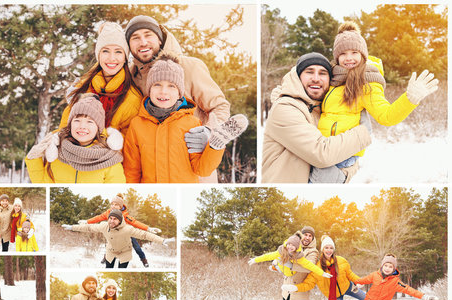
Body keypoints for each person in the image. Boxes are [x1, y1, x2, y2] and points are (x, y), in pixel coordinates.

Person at [310, 21, 438, 183]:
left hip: (341, 154)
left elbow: (386, 116)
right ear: (336, 57)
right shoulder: (334, 78)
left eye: (354, 52)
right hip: (324, 149)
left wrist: (409, 99)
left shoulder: (366, 82)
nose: (348, 58)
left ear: (363, 54)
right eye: (343, 54)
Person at [124, 15, 240, 163]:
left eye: (148, 35)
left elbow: (219, 106)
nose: (143, 42)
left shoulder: (189, 67)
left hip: (193, 161)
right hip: (151, 166)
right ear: (129, 44)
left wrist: (208, 132)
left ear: (160, 39)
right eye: (135, 38)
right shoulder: (130, 76)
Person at [26, 21, 140, 169]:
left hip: (108, 165)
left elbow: (130, 143)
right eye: (105, 51)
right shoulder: (83, 87)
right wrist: (57, 139)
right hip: (72, 161)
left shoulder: (132, 97)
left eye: (118, 51)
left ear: (125, 57)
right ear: (98, 54)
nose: (112, 58)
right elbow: (67, 124)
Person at [123, 54, 246, 183]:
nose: (163, 91)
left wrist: (214, 146)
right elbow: (132, 171)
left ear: (179, 93)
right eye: (157, 85)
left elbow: (202, 170)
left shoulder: (192, 124)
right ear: (149, 89)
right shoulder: (137, 125)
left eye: (171, 86)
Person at [262, 52, 372, 183]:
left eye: (322, 73)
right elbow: (322, 153)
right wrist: (363, 132)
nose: (316, 78)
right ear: (298, 77)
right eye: (309, 72)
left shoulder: (326, 111)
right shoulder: (285, 108)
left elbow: (350, 157)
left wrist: (342, 176)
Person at [248, 231, 332, 300]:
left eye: (310, 236)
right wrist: (258, 260)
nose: (307, 237)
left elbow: (309, 267)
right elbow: (270, 255)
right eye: (305, 235)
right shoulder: (291, 246)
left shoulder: (312, 252)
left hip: (300, 286)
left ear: (313, 239)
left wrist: (289, 264)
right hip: (288, 285)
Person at [26, 95, 126, 183]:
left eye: (89, 122)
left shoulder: (109, 160)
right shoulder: (57, 153)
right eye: (77, 120)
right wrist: (34, 158)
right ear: (70, 124)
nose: (82, 126)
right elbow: (45, 185)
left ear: (98, 127)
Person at [62, 209, 174, 268]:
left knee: (122, 268)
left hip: (125, 252)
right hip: (111, 251)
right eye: (110, 218)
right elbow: (89, 228)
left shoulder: (128, 229)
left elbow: (144, 235)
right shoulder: (104, 226)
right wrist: (72, 227)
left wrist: (162, 240)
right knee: (109, 269)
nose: (111, 221)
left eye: (115, 219)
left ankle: (143, 260)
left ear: (120, 221)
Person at [82, 193, 159, 267]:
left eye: (116, 205)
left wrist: (148, 228)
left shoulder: (125, 215)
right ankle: (106, 257)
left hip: (126, 234)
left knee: (137, 247)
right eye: (112, 204)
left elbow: (135, 222)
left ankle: (144, 260)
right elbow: (99, 217)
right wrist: (87, 221)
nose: (113, 206)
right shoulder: (108, 212)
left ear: (120, 206)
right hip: (113, 233)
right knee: (110, 244)